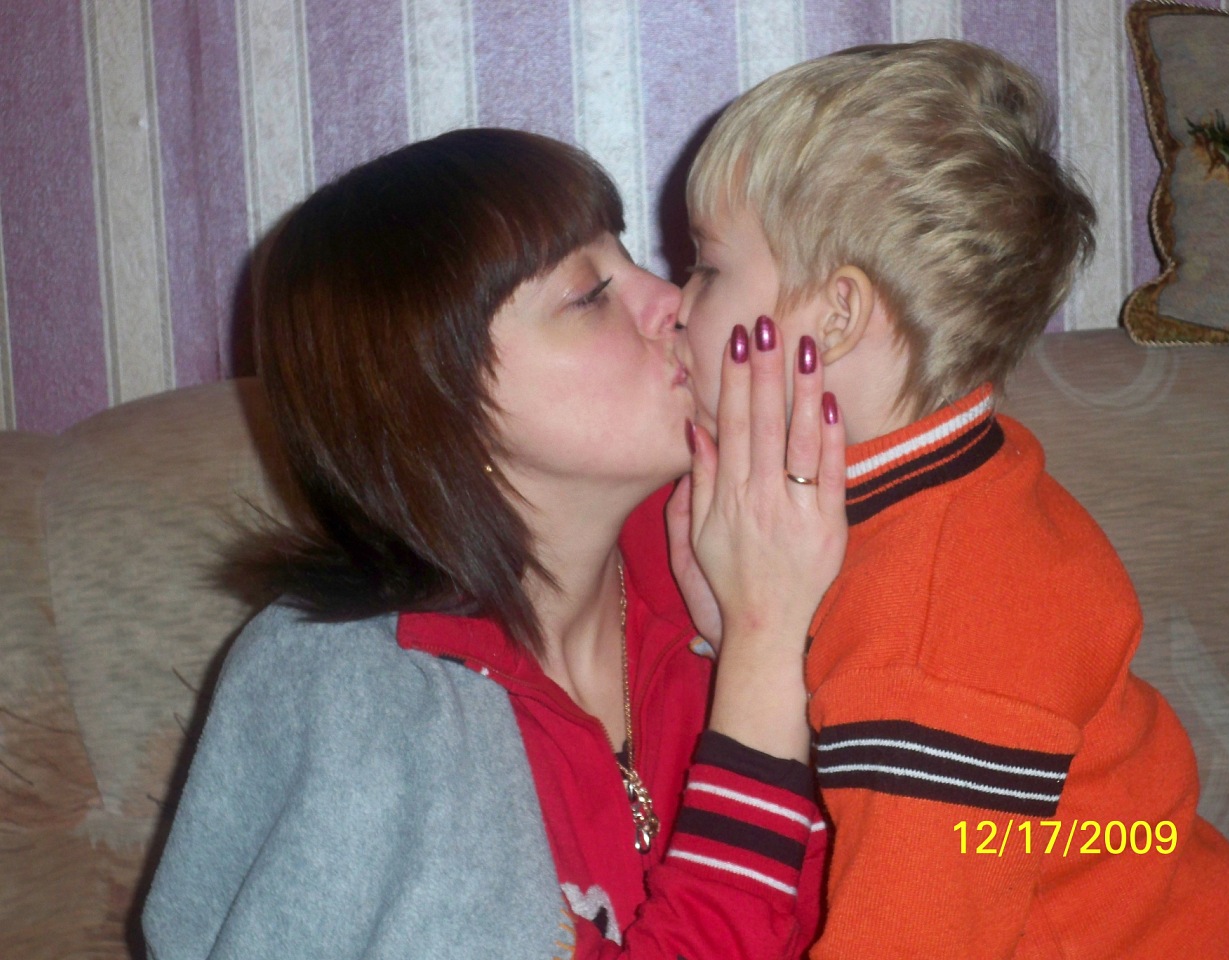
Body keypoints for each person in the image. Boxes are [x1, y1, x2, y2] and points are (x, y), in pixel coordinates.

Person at [141, 128, 848, 959]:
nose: (673, 301)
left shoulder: (726, 569)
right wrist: (764, 656)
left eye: (633, 260)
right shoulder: (354, 685)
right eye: (590, 294)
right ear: (434, 401)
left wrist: (760, 649)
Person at [675, 40, 1229, 959]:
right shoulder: (968, 477)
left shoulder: (934, 626)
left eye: (707, 268)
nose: (678, 305)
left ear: (836, 317)